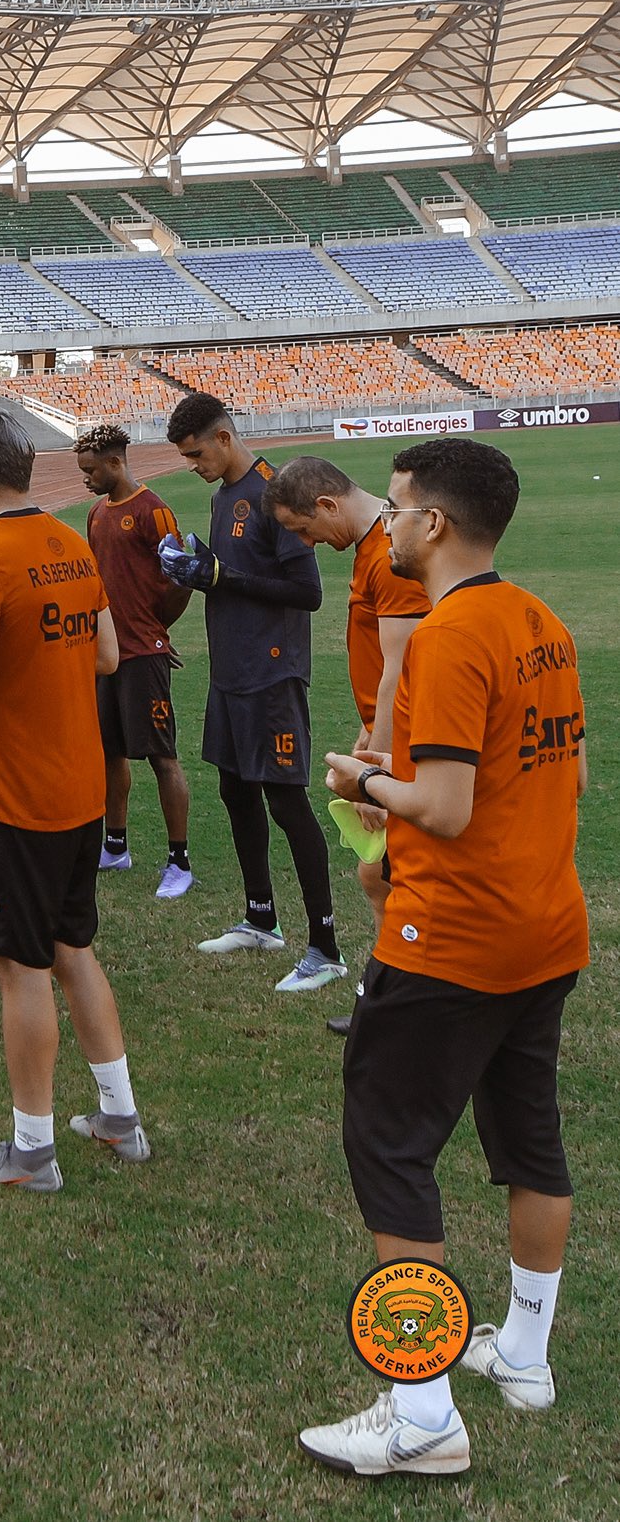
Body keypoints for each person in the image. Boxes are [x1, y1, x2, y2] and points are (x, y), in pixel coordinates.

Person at [301, 438, 587, 1478]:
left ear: (436, 526)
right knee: (528, 1141)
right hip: (544, 928)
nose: (390, 521)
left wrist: (364, 786)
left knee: (390, 1150)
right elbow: (564, 775)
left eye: (401, 506)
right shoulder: (540, 621)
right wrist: (402, 803)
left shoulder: (449, 634)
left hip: (455, 942)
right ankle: (523, 1352)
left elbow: (450, 808)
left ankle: (419, 1414)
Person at [0, 407, 149, 1192]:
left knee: (21, 968)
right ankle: (119, 1116)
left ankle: (32, 1151)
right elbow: (108, 655)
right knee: (74, 948)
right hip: (79, 786)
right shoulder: (69, 540)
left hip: (15, 794)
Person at [160, 395, 343, 995]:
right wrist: (198, 567)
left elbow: (307, 591)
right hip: (231, 673)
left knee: (287, 802)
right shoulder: (221, 497)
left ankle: (326, 947)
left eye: (195, 453)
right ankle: (261, 918)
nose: (192, 464)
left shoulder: (274, 493)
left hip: (272, 674)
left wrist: (222, 577)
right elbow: (229, 575)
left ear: (223, 436)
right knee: (236, 790)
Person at [265, 455, 430, 1037]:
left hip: (415, 741)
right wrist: (369, 733)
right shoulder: (373, 548)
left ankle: (396, 1004)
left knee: (386, 876)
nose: (303, 542)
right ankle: (391, 1001)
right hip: (393, 733)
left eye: (302, 528)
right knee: (383, 875)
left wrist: (372, 777)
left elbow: (400, 668)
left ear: (328, 505)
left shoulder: (390, 557)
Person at [73, 424, 195, 900]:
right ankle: (116, 845)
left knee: (162, 758)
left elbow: (180, 580)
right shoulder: (96, 512)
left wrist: (155, 632)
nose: (85, 479)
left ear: (115, 464)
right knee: (109, 753)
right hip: (105, 656)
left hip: (144, 655)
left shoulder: (154, 511)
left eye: (90, 471)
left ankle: (179, 861)